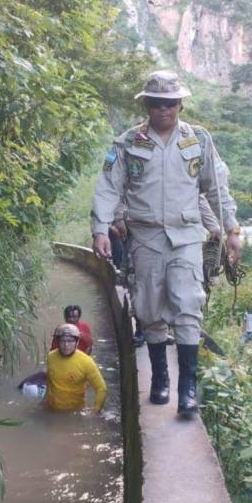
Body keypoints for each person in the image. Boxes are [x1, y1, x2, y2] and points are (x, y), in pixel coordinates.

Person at [91, 69, 241, 416]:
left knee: (188, 305)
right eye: (157, 104)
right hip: (145, 238)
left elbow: (216, 189)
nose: (164, 110)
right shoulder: (128, 143)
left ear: (181, 104)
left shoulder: (199, 141)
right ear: (147, 104)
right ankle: (160, 377)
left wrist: (231, 231)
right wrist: (101, 228)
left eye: (171, 103)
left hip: (186, 235)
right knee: (149, 309)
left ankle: (187, 390)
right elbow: (108, 187)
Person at [45, 323, 107, 413]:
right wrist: (43, 402)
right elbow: (49, 381)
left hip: (74, 411)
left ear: (77, 342)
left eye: (70, 341)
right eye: (62, 341)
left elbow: (101, 388)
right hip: (52, 409)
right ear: (58, 342)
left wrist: (95, 411)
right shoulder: (51, 357)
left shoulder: (86, 362)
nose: (66, 345)